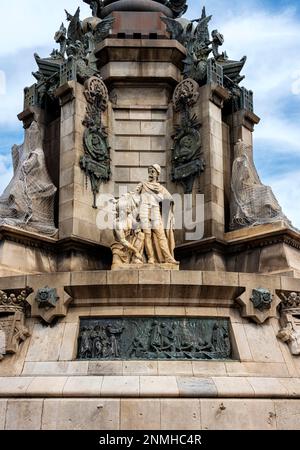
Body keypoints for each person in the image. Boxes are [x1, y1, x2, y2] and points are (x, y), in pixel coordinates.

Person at [135, 165, 178, 265]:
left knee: (161, 235)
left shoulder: (160, 188)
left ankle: (168, 258)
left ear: (157, 174)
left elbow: (169, 199)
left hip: (155, 211)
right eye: (149, 171)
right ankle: (151, 258)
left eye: (153, 171)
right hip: (144, 211)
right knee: (147, 235)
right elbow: (135, 196)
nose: (151, 173)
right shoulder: (143, 184)